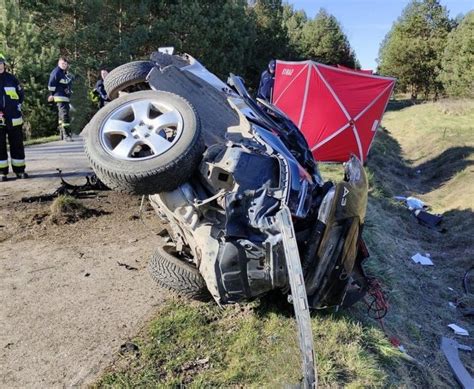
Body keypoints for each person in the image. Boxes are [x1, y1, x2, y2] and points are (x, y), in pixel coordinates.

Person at [0, 53, 28, 181]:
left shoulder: (12, 78)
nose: (0, 66)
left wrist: (17, 106)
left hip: (14, 118)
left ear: (4, 65)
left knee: (17, 145)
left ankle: (20, 170)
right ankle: (2, 173)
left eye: (1, 64)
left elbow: (20, 94)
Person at [48, 57, 73, 141]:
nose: (64, 65)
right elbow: (51, 83)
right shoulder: (56, 72)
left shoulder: (63, 73)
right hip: (60, 96)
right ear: (59, 64)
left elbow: (65, 84)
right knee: (65, 115)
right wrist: (52, 94)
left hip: (64, 97)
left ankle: (62, 134)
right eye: (63, 64)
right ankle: (67, 135)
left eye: (65, 64)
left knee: (61, 115)